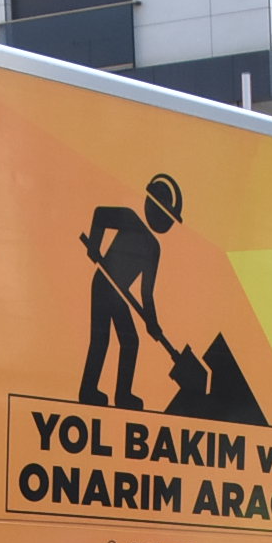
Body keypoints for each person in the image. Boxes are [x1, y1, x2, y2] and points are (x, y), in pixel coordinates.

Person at [77, 173, 181, 409]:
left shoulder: (154, 248)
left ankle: (123, 396)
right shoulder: (130, 220)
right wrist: (95, 244)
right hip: (105, 284)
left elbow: (147, 294)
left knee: (130, 341)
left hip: (118, 292)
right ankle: (88, 391)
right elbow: (100, 215)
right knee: (101, 338)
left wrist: (152, 324)